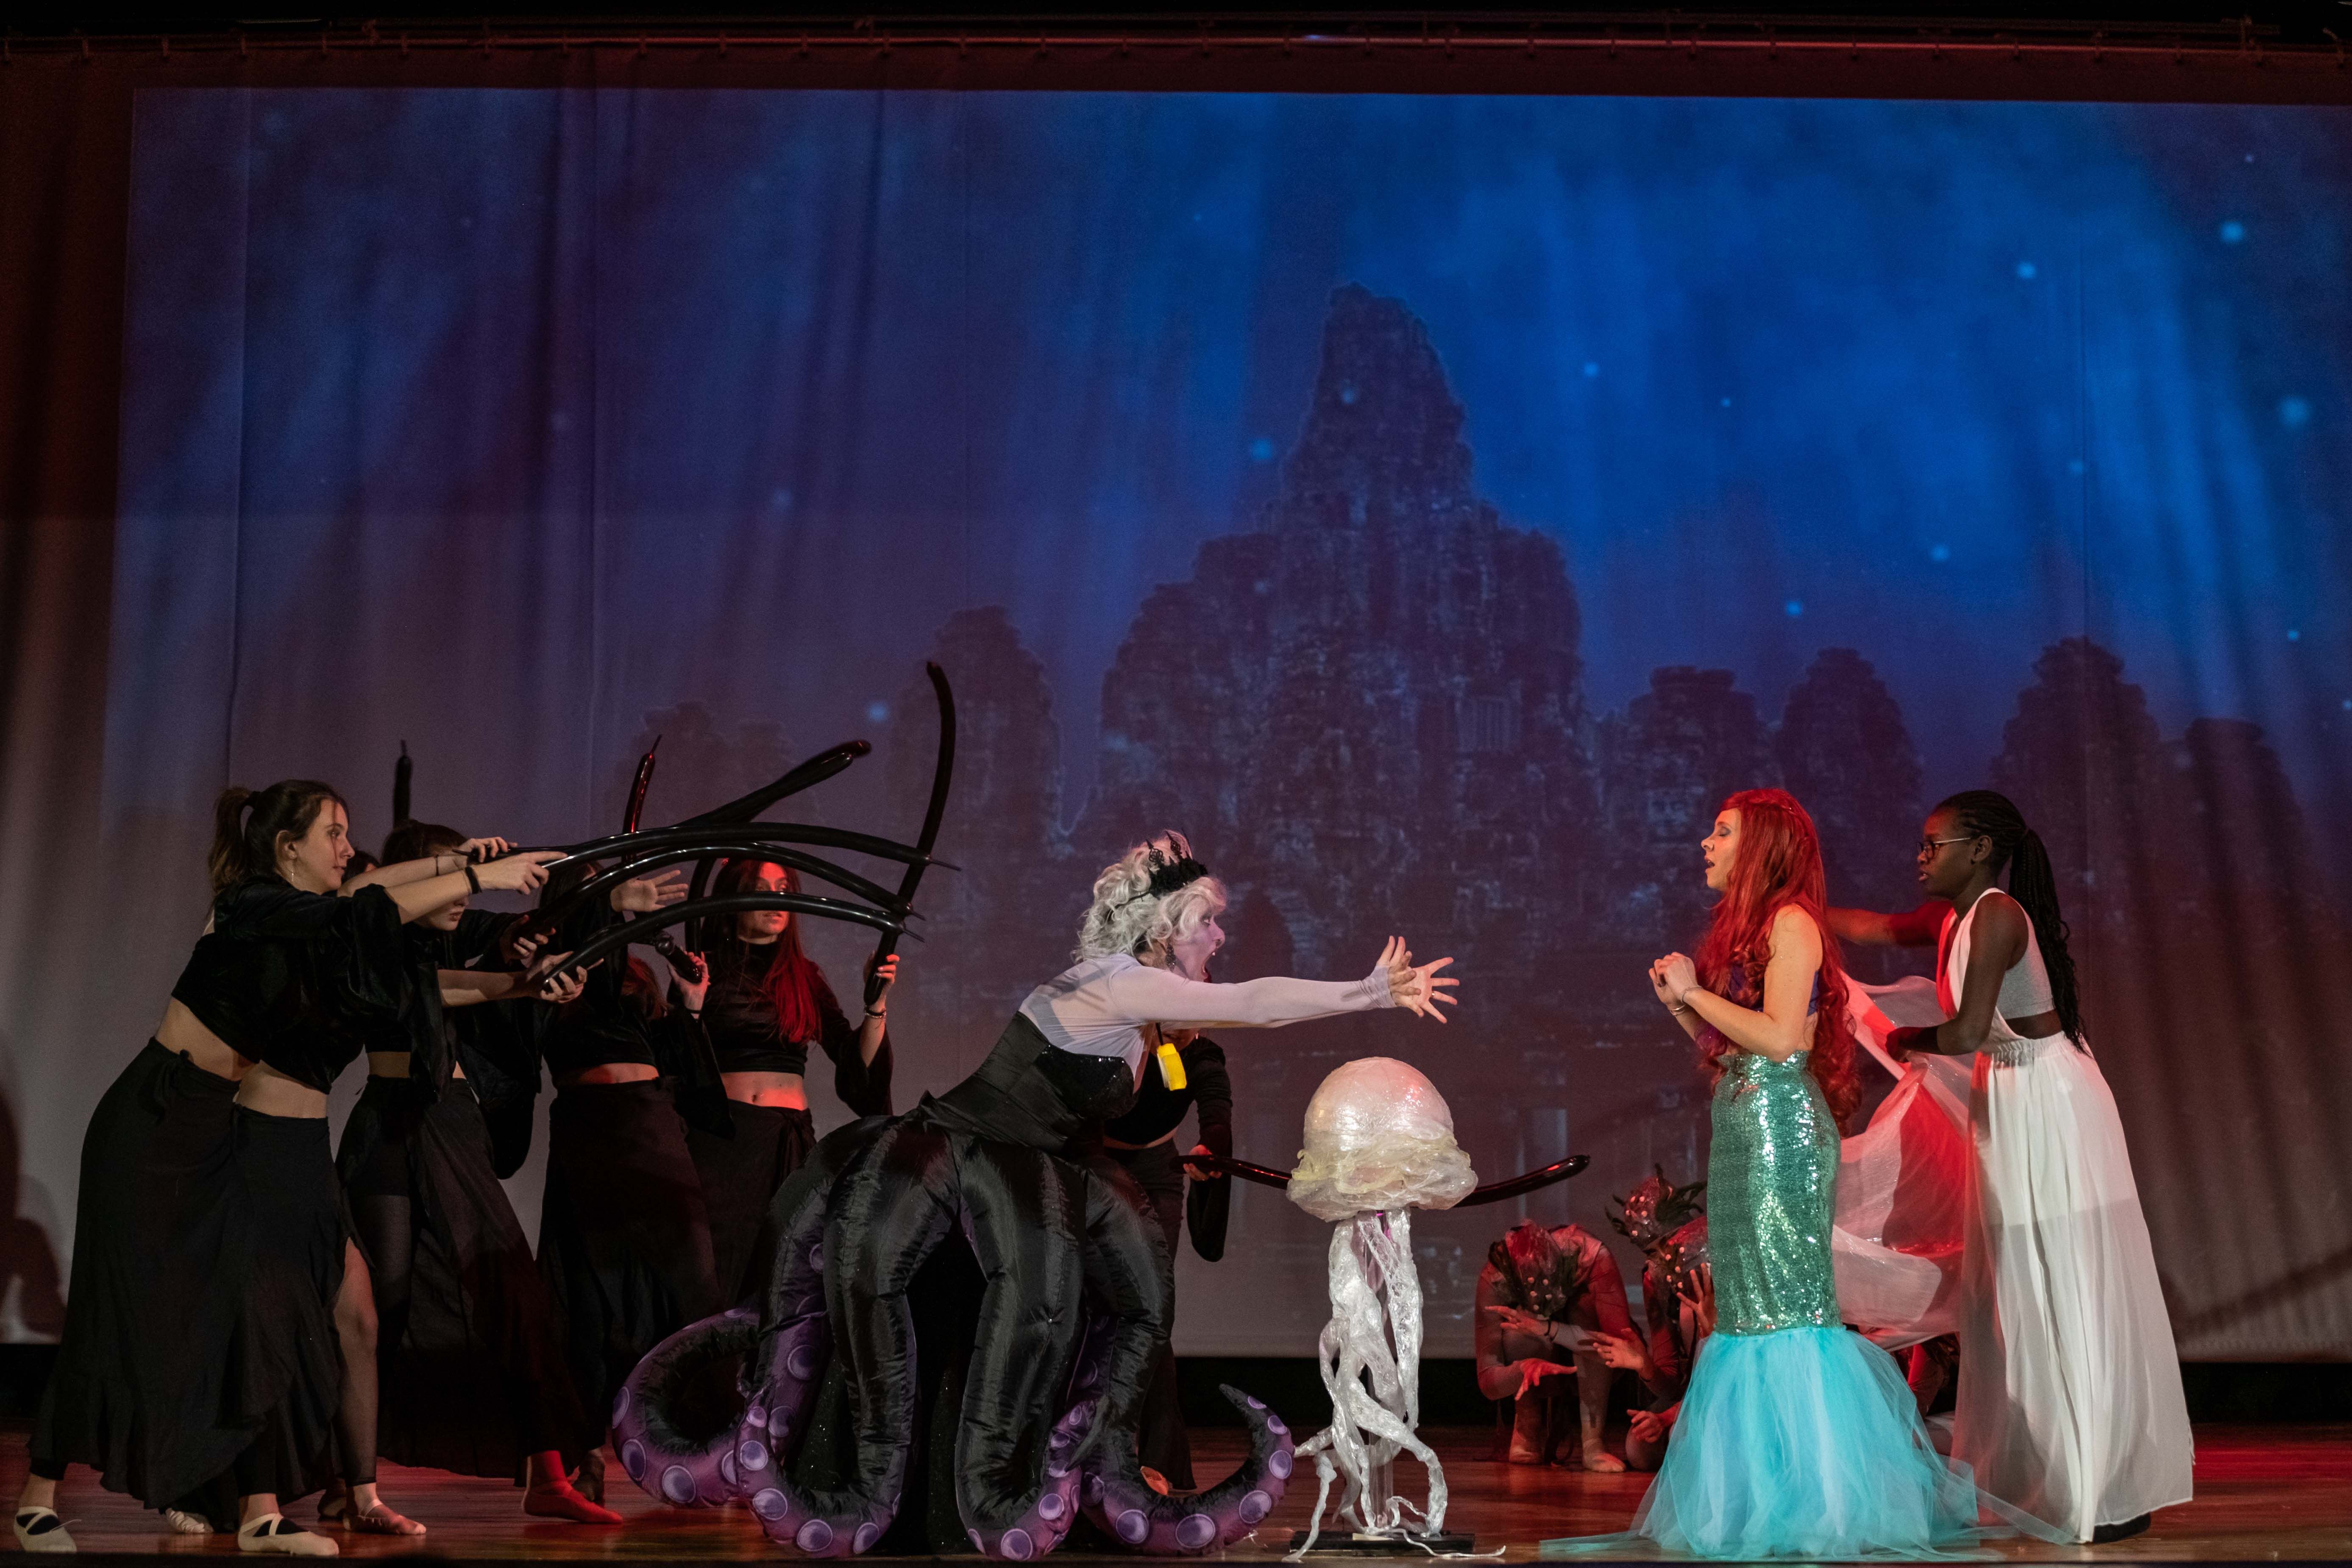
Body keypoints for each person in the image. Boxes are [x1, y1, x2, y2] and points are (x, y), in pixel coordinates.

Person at [14, 781, 561, 1556]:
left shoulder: (311, 922)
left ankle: (259, 1509)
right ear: (287, 847)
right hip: (153, 1119)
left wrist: (464, 877)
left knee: (244, 1313)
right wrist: (475, 874)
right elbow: (361, 906)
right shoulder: (249, 903)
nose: (348, 847)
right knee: (117, 1302)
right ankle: (37, 1497)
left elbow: (372, 908)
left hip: (213, 1128)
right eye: (333, 833)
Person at [1544, 789, 2051, 1561]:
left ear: (1761, 847)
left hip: (1780, 1136)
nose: (1705, 842)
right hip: (1745, 1129)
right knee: (1750, 1317)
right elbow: (1735, 1050)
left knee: (1785, 1313)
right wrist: (1682, 1006)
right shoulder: (1759, 929)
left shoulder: (1791, 921)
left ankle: (1821, 1501)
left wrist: (1694, 990)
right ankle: (1770, 1496)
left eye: (1722, 832)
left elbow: (1782, 1041)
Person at [1827, 790, 2193, 1543]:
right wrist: (1793, 905)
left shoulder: (1996, 914)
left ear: (1980, 849)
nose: (1920, 856)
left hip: (2048, 1101)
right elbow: (1873, 926)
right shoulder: (1951, 917)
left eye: (1934, 843)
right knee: (2021, 1287)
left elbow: (1964, 1031)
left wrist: (1900, 1039)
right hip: (2009, 1096)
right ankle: (2063, 1476)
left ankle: (2098, 1486)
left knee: (2060, 1282)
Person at [333, 818, 637, 1525]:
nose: (463, 895)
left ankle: (548, 1472)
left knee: (514, 1293)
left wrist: (547, 954)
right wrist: (516, 981)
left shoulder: (459, 930)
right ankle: (344, 1474)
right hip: (387, 1125)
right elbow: (430, 985)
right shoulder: (372, 938)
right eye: (446, 879)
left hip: (451, 1121)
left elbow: (509, 939)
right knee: (382, 1306)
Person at [533, 872, 726, 1503]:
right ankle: (586, 1454)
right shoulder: (546, 969)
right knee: (589, 1301)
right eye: (593, 889)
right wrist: (602, 910)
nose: (609, 895)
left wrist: (689, 1003)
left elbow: (675, 1063)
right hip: (588, 1132)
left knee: (693, 1287)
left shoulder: (636, 975)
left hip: (650, 1124)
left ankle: (710, 1446)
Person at [682, 858, 897, 1305]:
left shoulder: (804, 975)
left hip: (789, 1143)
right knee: (719, 1271)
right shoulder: (705, 969)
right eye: (761, 889)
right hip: (725, 1142)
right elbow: (680, 1055)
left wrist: (875, 1006)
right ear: (733, 900)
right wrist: (692, 1004)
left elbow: (855, 1066)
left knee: (788, 1272)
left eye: (783, 889)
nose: (775, 900)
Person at [1095, 1024, 1233, 1490]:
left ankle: (1160, 1461)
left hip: (1158, 1174)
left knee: (1150, 1310)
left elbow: (1217, 1113)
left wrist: (1210, 1147)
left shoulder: (1201, 1054)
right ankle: (1082, 1453)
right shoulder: (1118, 1039)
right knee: (1096, 1305)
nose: (1183, 1023)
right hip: (1093, 1166)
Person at [1475, 1220, 1635, 1471]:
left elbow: (1622, 1348)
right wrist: (1522, 1369)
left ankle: (1593, 1440)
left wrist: (1551, 1330)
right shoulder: (1495, 1276)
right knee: (1518, 1329)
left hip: (1586, 1343)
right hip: (1536, 1342)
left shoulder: (1592, 1257)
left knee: (1585, 1309)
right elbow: (1488, 1380)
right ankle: (1527, 1422)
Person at [1590, 1170, 1710, 1472]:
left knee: (1682, 1435)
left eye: (1669, 1246)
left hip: (1731, 1392)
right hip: (1690, 1396)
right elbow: (1671, 1383)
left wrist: (1669, 1417)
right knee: (1639, 1448)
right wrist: (1645, 1366)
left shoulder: (1718, 1274)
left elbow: (1726, 1379)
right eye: (1652, 1253)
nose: (1662, 1262)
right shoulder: (1656, 1281)